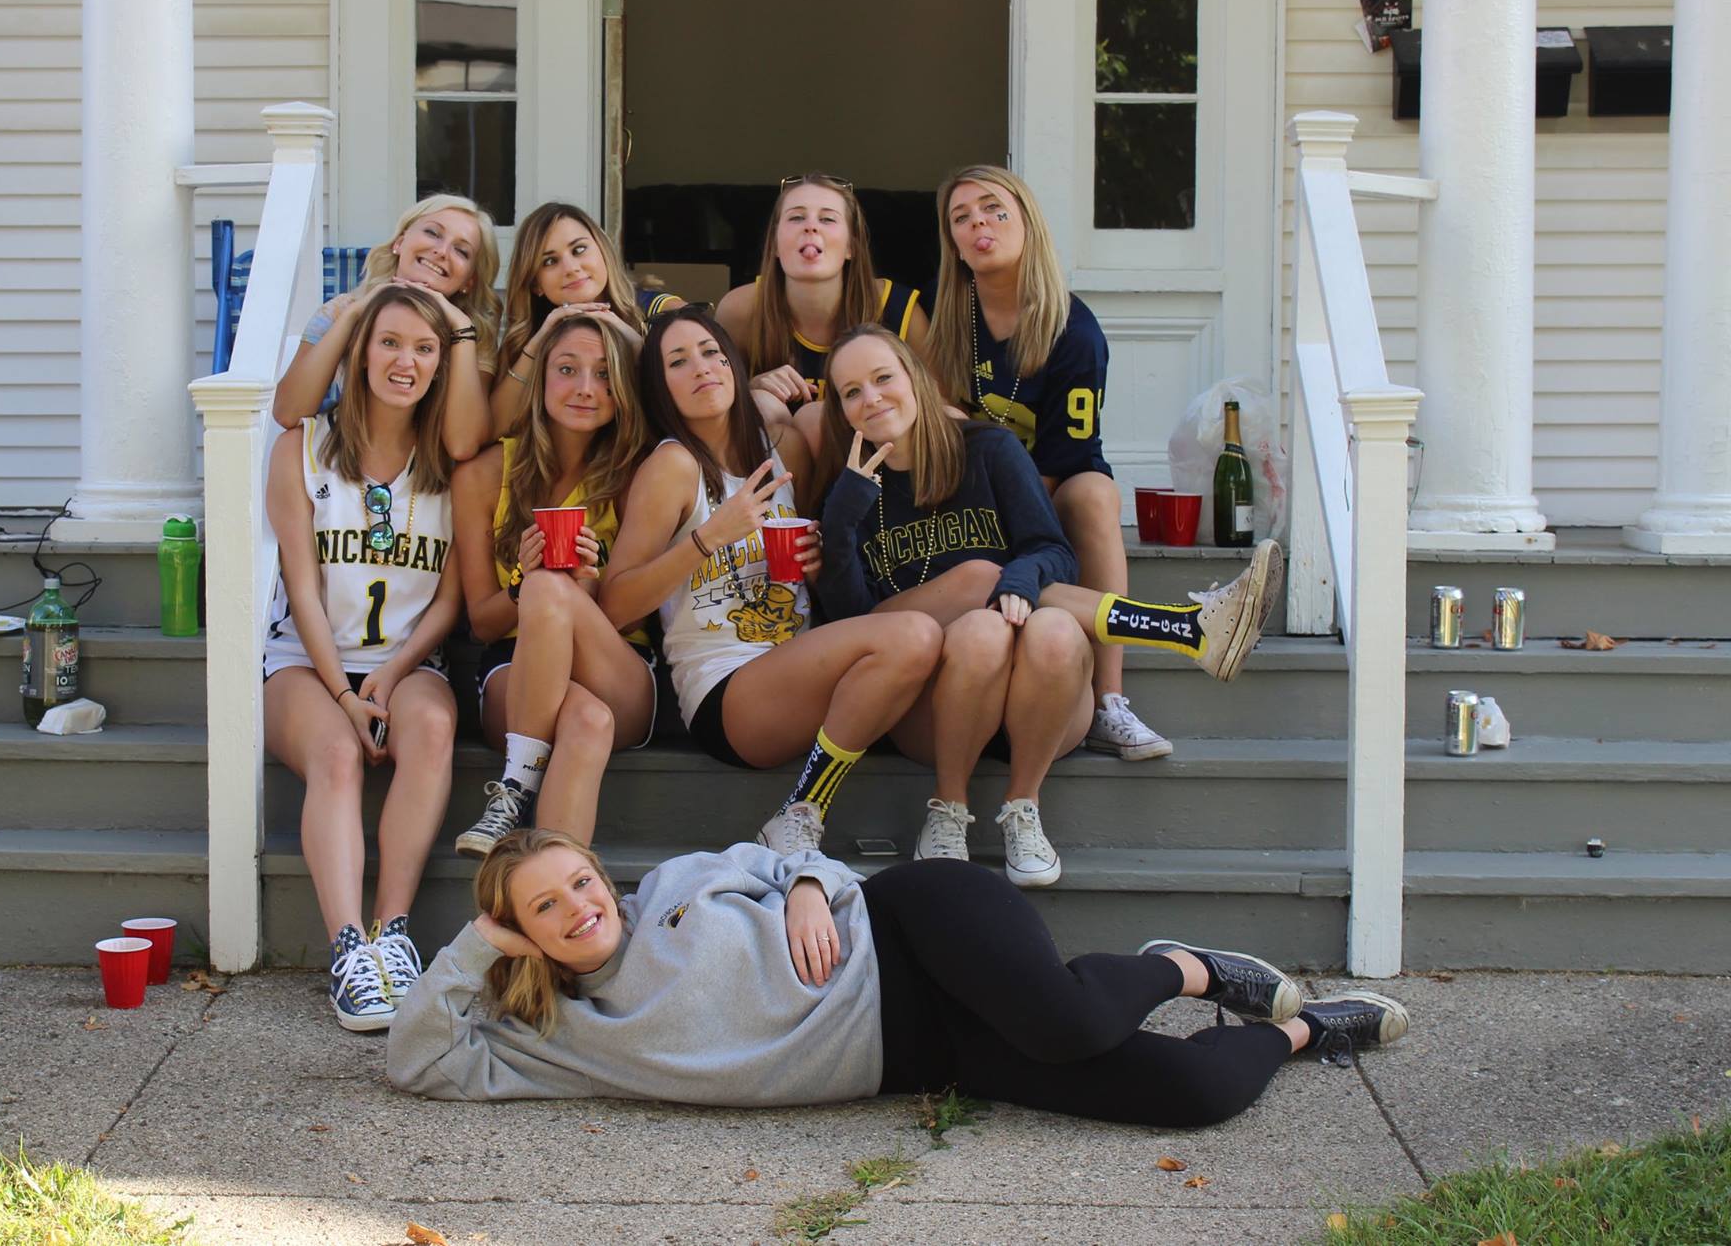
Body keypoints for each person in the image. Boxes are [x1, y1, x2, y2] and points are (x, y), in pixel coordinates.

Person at [387, 828, 1410, 1120]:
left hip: (912, 925)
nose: (580, 907)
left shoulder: (674, 885)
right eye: (545, 909)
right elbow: (413, 1062)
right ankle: (1303, 1032)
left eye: (579, 880)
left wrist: (804, 886)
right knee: (1184, 1094)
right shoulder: (555, 1040)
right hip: (925, 1052)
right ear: (519, 935)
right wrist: (475, 947)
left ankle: (1181, 968)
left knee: (1064, 1022)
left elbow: (794, 857)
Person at [815, 327, 1282, 884]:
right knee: (980, 614)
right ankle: (1182, 630)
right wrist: (839, 523)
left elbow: (1053, 551)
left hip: (1042, 702)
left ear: (914, 379)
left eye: (883, 378)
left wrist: (1021, 579)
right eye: (851, 392)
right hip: (933, 713)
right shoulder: (848, 495)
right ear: (840, 409)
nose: (871, 398)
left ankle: (1024, 807)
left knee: (1054, 630)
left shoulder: (989, 449)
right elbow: (851, 625)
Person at [600, 308, 943, 855]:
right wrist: (708, 538)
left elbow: (817, 570)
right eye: (678, 362)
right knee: (913, 635)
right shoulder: (672, 467)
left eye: (711, 353)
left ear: (733, 365)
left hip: (797, 663)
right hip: (726, 687)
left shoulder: (784, 449)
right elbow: (616, 606)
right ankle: (801, 810)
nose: (701, 368)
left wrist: (817, 564)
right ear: (660, 388)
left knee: (931, 640)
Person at [263, 286, 464, 1032]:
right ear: (359, 352)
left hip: (404, 663)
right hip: (303, 660)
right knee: (338, 756)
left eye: (424, 348)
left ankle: (392, 934)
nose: (405, 361)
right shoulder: (302, 447)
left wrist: (395, 670)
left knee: (433, 729)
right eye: (389, 342)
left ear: (441, 365)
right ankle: (349, 949)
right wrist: (345, 696)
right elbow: (302, 589)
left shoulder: (452, 466)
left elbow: (450, 598)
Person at [922, 165, 1168, 761]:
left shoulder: (1073, 330)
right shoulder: (945, 317)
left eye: (995, 209)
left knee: (1095, 494)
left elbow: (1065, 459)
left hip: (1048, 488)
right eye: (962, 217)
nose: (979, 223)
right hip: (969, 491)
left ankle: (1109, 701)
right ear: (953, 243)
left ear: (1028, 224)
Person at [449, 311, 654, 858]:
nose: (586, 388)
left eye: (605, 374)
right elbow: (482, 622)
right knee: (585, 718)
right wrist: (524, 584)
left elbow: (634, 616)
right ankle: (560, 887)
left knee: (548, 590)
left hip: (615, 662)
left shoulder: (637, 474)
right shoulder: (483, 475)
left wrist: (584, 585)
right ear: (540, 379)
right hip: (514, 666)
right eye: (567, 369)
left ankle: (513, 791)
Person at [273, 194, 501, 460]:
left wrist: (460, 328)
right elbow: (288, 413)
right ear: (399, 243)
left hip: (429, 469)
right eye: (433, 233)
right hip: (355, 455)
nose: (441, 251)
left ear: (469, 281)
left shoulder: (472, 333)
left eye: (461, 251)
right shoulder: (341, 310)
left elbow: (463, 445)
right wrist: (353, 314)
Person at [716, 173, 927, 454]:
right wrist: (751, 386)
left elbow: (942, 407)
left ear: (851, 246)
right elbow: (712, 407)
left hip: (883, 458)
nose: (811, 227)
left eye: (827, 219)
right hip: (784, 469)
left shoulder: (898, 308)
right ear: (775, 244)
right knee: (761, 403)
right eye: (796, 218)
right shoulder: (741, 309)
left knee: (815, 418)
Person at [489, 201, 688, 429]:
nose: (571, 268)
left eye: (579, 250)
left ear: (603, 250)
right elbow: (495, 428)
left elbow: (696, 406)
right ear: (536, 284)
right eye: (550, 261)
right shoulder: (532, 336)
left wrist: (638, 349)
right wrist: (534, 347)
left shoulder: (661, 311)